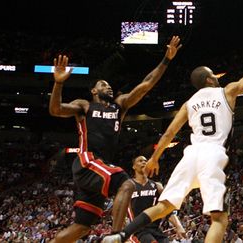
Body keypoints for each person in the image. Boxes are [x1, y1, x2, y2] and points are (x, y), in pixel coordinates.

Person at [102, 31, 243, 243]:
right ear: (211, 79)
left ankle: (121, 235)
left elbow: (169, 133)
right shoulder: (227, 91)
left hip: (191, 155)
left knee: (164, 206)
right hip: (213, 154)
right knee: (219, 219)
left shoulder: (189, 103)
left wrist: (155, 158)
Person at [48, 36, 182, 242]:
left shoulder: (119, 105)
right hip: (87, 161)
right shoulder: (84, 106)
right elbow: (55, 110)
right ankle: (116, 237)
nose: (108, 87)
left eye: (109, 85)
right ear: (94, 91)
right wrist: (58, 84)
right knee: (127, 184)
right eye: (103, 85)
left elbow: (145, 85)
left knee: (82, 228)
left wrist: (166, 59)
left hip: (101, 166)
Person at [129, 155, 186, 243]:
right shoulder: (129, 186)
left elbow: (167, 210)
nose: (144, 162)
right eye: (140, 161)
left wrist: (178, 226)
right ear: (134, 167)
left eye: (145, 161)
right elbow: (123, 212)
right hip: (138, 230)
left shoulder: (157, 186)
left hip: (155, 229)